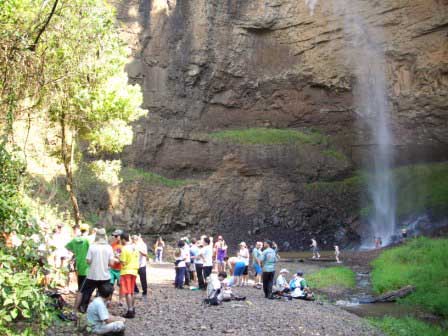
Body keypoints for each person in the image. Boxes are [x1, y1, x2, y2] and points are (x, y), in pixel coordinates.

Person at [79, 228, 115, 313]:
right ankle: (100, 310)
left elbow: (88, 261)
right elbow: (111, 263)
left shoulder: (92, 246)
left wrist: (94, 261)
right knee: (103, 293)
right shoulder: (109, 247)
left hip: (92, 274)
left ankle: (83, 307)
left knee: (87, 292)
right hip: (104, 275)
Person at [65, 223, 90, 316]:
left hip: (79, 266)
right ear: (87, 231)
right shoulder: (87, 240)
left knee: (81, 287)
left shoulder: (75, 240)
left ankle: (80, 307)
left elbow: (67, 247)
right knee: (85, 289)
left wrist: (75, 253)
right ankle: (80, 308)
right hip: (87, 267)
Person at [119, 232, 140, 318]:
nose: (121, 241)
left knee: (127, 292)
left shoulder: (124, 249)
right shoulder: (135, 248)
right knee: (132, 291)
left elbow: (123, 262)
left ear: (123, 239)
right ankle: (132, 307)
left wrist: (118, 258)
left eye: (121, 240)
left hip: (126, 271)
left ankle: (130, 310)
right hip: (134, 271)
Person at [110, 229, 123, 305]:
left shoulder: (124, 246)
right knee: (110, 284)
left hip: (121, 268)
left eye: (116, 236)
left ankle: (120, 300)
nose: (115, 237)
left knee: (121, 285)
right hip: (112, 268)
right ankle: (109, 299)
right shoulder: (113, 245)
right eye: (114, 236)